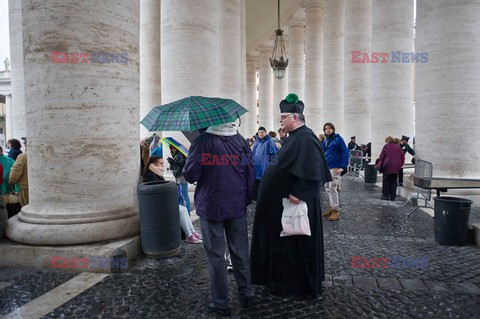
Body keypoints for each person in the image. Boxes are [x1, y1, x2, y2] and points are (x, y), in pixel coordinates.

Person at [250, 93, 332, 298]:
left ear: (295, 117)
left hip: (295, 204)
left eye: (283, 117)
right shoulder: (294, 138)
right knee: (284, 245)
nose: (280, 121)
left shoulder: (306, 138)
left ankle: (295, 286)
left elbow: (314, 169)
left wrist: (299, 192)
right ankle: (279, 281)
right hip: (283, 204)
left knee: (295, 247)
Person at [183, 122, 255, 316]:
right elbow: (250, 171)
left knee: (216, 255)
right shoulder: (241, 140)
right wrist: (245, 198)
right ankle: (246, 293)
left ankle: (220, 302)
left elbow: (190, 174)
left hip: (211, 205)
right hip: (237, 203)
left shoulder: (202, 141)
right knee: (240, 251)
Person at [142, 156, 202, 244]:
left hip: (162, 202)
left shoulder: (156, 173)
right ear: (153, 164)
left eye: (163, 163)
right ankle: (189, 235)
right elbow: (158, 189)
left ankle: (192, 232)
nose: (163, 166)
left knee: (184, 209)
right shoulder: (151, 175)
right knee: (181, 211)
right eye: (160, 164)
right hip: (157, 206)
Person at [321, 123, 350, 221]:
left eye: (329, 128)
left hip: (335, 167)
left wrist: (343, 166)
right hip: (327, 167)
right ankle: (332, 207)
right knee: (327, 187)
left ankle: (336, 210)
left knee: (332, 187)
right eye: (326, 129)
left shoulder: (338, 139)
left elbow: (345, 152)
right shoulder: (326, 140)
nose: (328, 130)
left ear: (333, 129)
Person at [251, 126, 277, 200]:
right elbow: (253, 152)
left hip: (265, 165)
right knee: (256, 181)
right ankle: (255, 197)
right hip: (257, 164)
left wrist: (273, 165)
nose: (261, 134)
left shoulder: (270, 141)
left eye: (262, 132)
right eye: (259, 132)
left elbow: (274, 154)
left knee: (264, 181)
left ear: (265, 133)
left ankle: (264, 197)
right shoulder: (257, 141)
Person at [378, 136, 405, 201]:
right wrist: (400, 165)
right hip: (396, 167)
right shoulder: (398, 147)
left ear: (388, 141)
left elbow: (382, 156)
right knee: (394, 181)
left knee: (386, 181)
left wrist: (380, 164)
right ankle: (393, 196)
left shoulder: (386, 146)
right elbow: (402, 157)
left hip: (387, 166)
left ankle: (385, 195)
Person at [167, 145, 190, 213]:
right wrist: (171, 162)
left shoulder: (181, 154)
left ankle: (188, 213)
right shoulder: (176, 154)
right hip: (178, 176)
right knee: (181, 196)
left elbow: (183, 163)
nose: (173, 149)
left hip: (182, 176)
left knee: (185, 196)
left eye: (174, 148)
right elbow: (175, 165)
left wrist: (173, 162)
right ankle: (183, 213)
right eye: (171, 148)